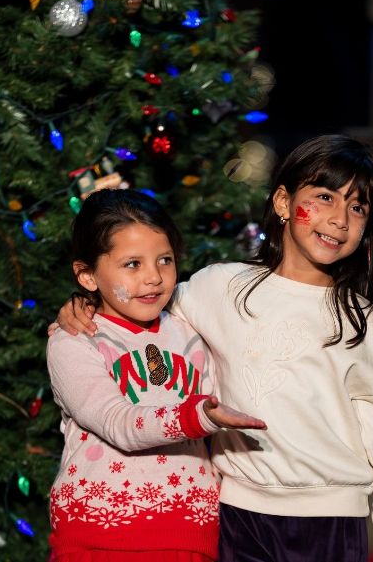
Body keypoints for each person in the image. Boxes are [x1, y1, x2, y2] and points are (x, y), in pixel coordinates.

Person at [52, 135, 373, 562]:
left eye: (358, 206)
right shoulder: (221, 286)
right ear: (283, 203)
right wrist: (83, 305)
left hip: (331, 519)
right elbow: (142, 301)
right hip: (239, 515)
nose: (340, 218)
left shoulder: (360, 321)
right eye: (325, 197)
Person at [47, 189, 267, 562]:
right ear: (87, 275)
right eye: (132, 264)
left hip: (190, 532)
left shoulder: (191, 328)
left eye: (164, 260)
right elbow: (118, 423)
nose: (154, 277)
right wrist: (196, 416)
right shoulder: (75, 340)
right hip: (98, 535)